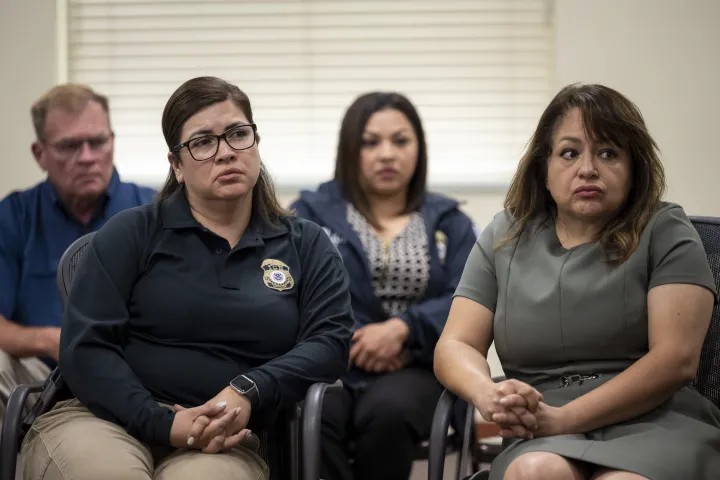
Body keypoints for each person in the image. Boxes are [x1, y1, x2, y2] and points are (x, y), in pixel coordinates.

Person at [20, 76, 354, 480]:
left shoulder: (305, 244)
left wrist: (250, 389)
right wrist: (161, 423)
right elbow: (86, 349)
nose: (226, 152)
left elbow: (330, 343)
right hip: (102, 421)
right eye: (202, 142)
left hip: (224, 438)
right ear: (176, 165)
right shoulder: (132, 232)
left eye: (237, 134)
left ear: (256, 142)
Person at [434, 83, 720, 480]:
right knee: (535, 471)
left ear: (634, 168)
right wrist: (489, 393)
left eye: (608, 153)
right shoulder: (505, 236)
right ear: (544, 169)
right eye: (569, 153)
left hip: (656, 421)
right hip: (541, 425)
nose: (588, 168)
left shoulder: (665, 229)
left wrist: (564, 418)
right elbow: (456, 343)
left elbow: (676, 360)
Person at [292, 92, 477, 480]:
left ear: (419, 149)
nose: (387, 154)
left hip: (419, 364)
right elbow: (297, 292)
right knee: (314, 414)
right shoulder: (308, 215)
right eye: (370, 142)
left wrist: (403, 330)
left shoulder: (449, 221)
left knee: (387, 413)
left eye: (401, 140)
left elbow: (469, 298)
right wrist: (360, 341)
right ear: (348, 150)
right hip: (334, 363)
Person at [0, 84, 155, 425]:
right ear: (39, 153)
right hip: (45, 375)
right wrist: (50, 340)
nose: (86, 157)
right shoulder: (13, 217)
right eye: (69, 146)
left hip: (140, 374)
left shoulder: (157, 211)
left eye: (97, 142)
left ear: (112, 141)